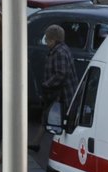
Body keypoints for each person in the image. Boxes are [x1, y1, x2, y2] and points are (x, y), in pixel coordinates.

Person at [30, 25, 76, 155]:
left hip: (61, 94)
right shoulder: (62, 50)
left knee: (59, 120)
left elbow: (61, 74)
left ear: (53, 40)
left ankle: (61, 148)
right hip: (59, 93)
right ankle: (36, 142)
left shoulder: (59, 53)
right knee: (47, 116)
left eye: (48, 40)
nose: (46, 43)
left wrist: (47, 84)